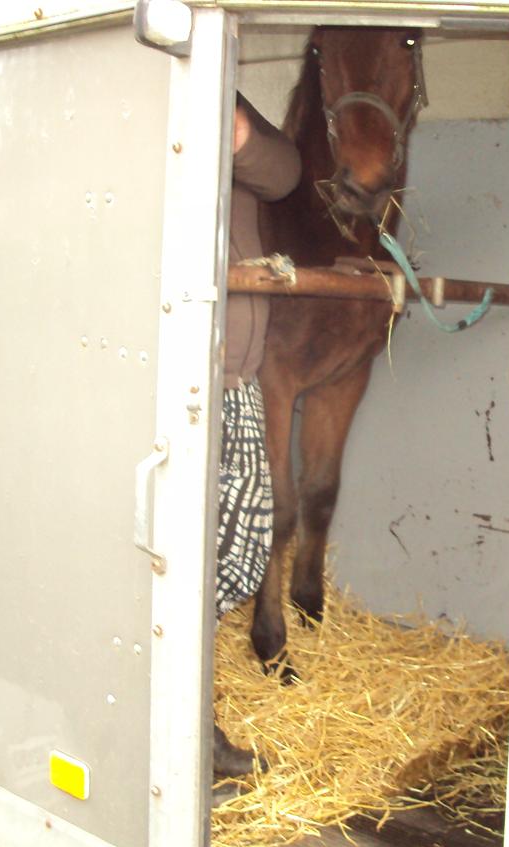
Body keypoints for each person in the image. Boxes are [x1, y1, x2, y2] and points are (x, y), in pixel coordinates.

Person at [212, 94, 301, 780]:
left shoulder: (215, 78)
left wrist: (232, 119)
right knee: (187, 563)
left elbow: (285, 172)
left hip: (236, 381)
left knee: (237, 551)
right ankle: (186, 734)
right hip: (184, 385)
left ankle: (184, 722)